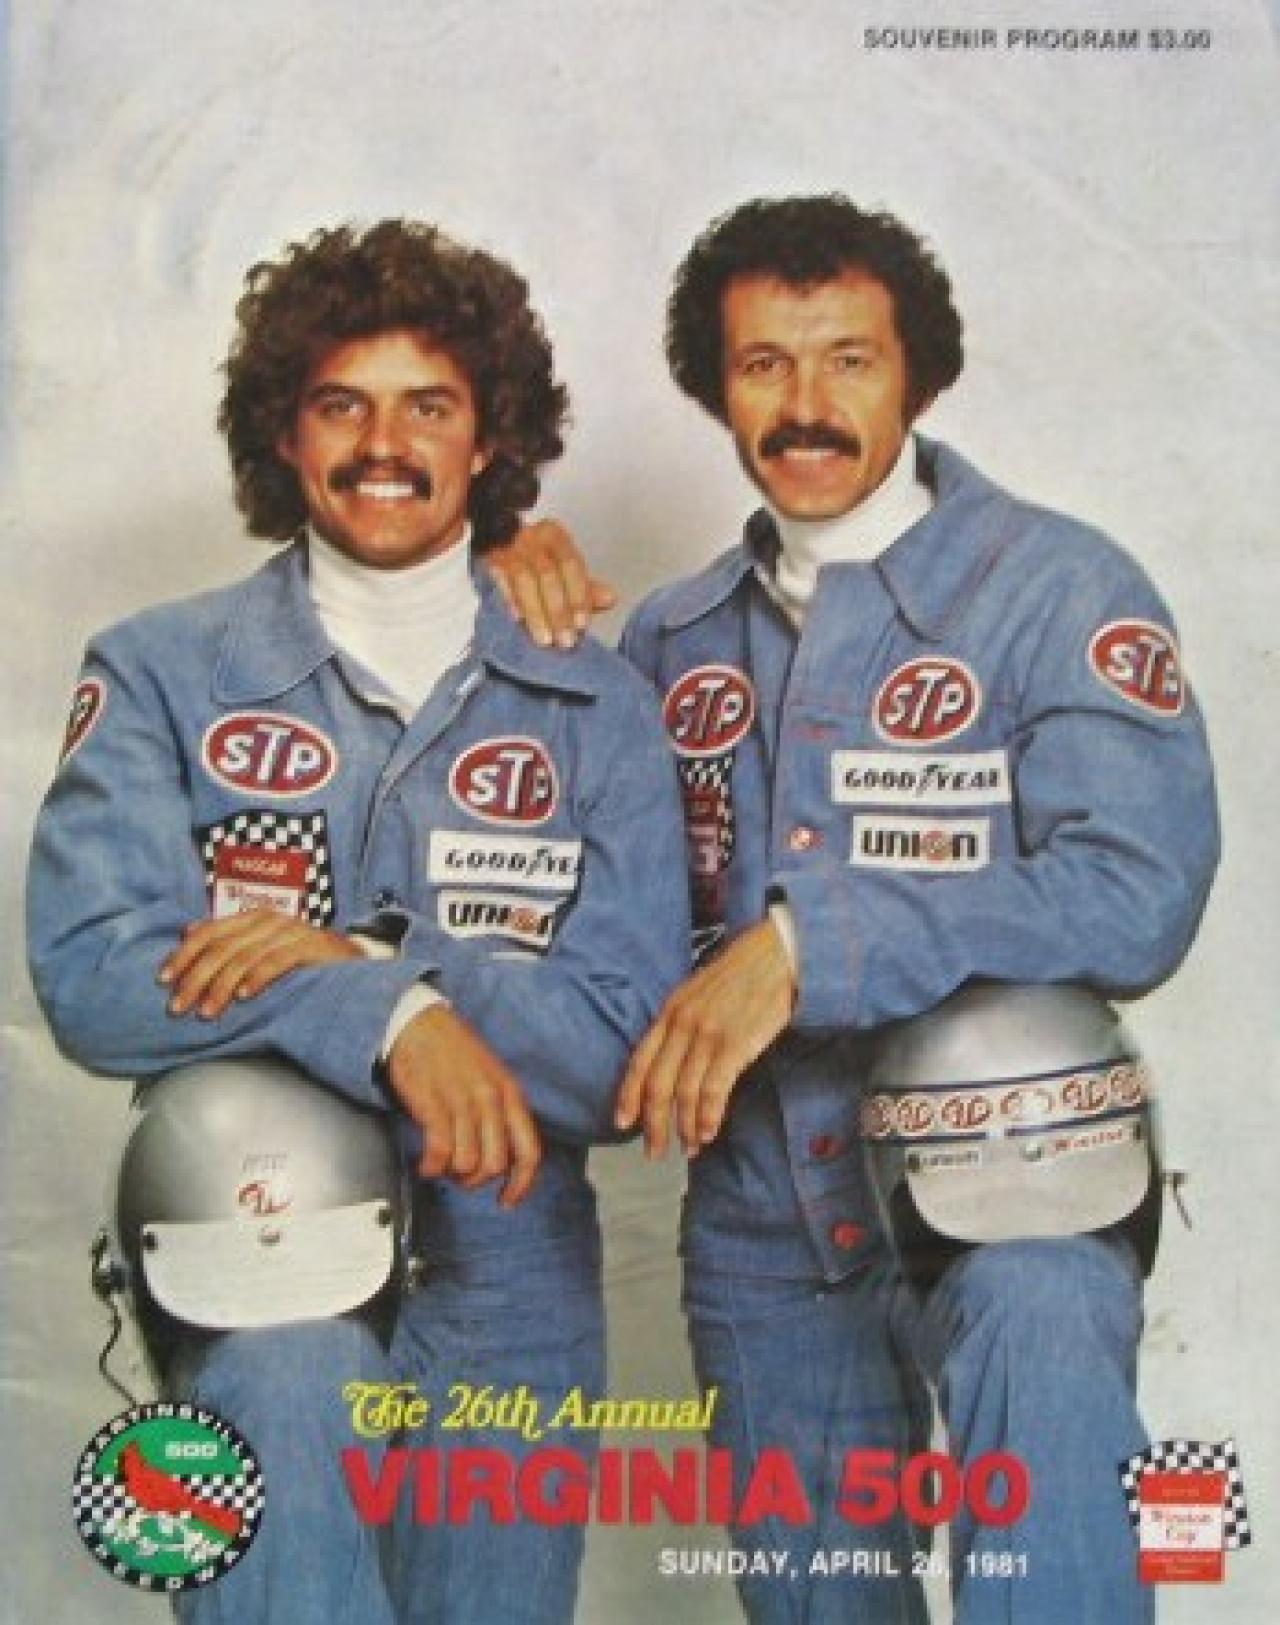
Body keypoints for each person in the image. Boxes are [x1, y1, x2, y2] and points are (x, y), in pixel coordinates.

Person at [489, 195, 1220, 1623]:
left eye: (849, 360)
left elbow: (1135, 890)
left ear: (918, 376)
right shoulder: (673, 637)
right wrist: (494, 583)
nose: (806, 405)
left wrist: (808, 943)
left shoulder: (1060, 590)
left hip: (1016, 1189)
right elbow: (558, 890)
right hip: (765, 1229)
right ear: (717, 388)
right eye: (765, 364)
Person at [27, 219, 689, 1624]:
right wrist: (387, 1017)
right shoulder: (161, 672)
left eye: (428, 406)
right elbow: (95, 973)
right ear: (284, 430)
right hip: (258, 1254)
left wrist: (383, 959)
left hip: (512, 1289)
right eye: (342, 403)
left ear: (490, 437)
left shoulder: (598, 705)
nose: (384, 444)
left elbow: (627, 1053)